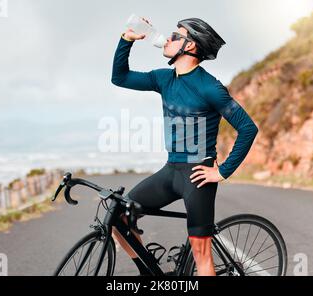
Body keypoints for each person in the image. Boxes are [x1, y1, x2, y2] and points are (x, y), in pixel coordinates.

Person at [111, 17, 259, 276]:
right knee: (119, 216)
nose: (167, 39)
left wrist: (222, 171)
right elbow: (119, 77)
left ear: (191, 46)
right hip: (171, 170)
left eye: (175, 35)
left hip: (198, 177)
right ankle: (149, 273)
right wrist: (127, 40)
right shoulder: (163, 79)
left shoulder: (210, 88)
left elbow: (248, 128)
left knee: (202, 256)